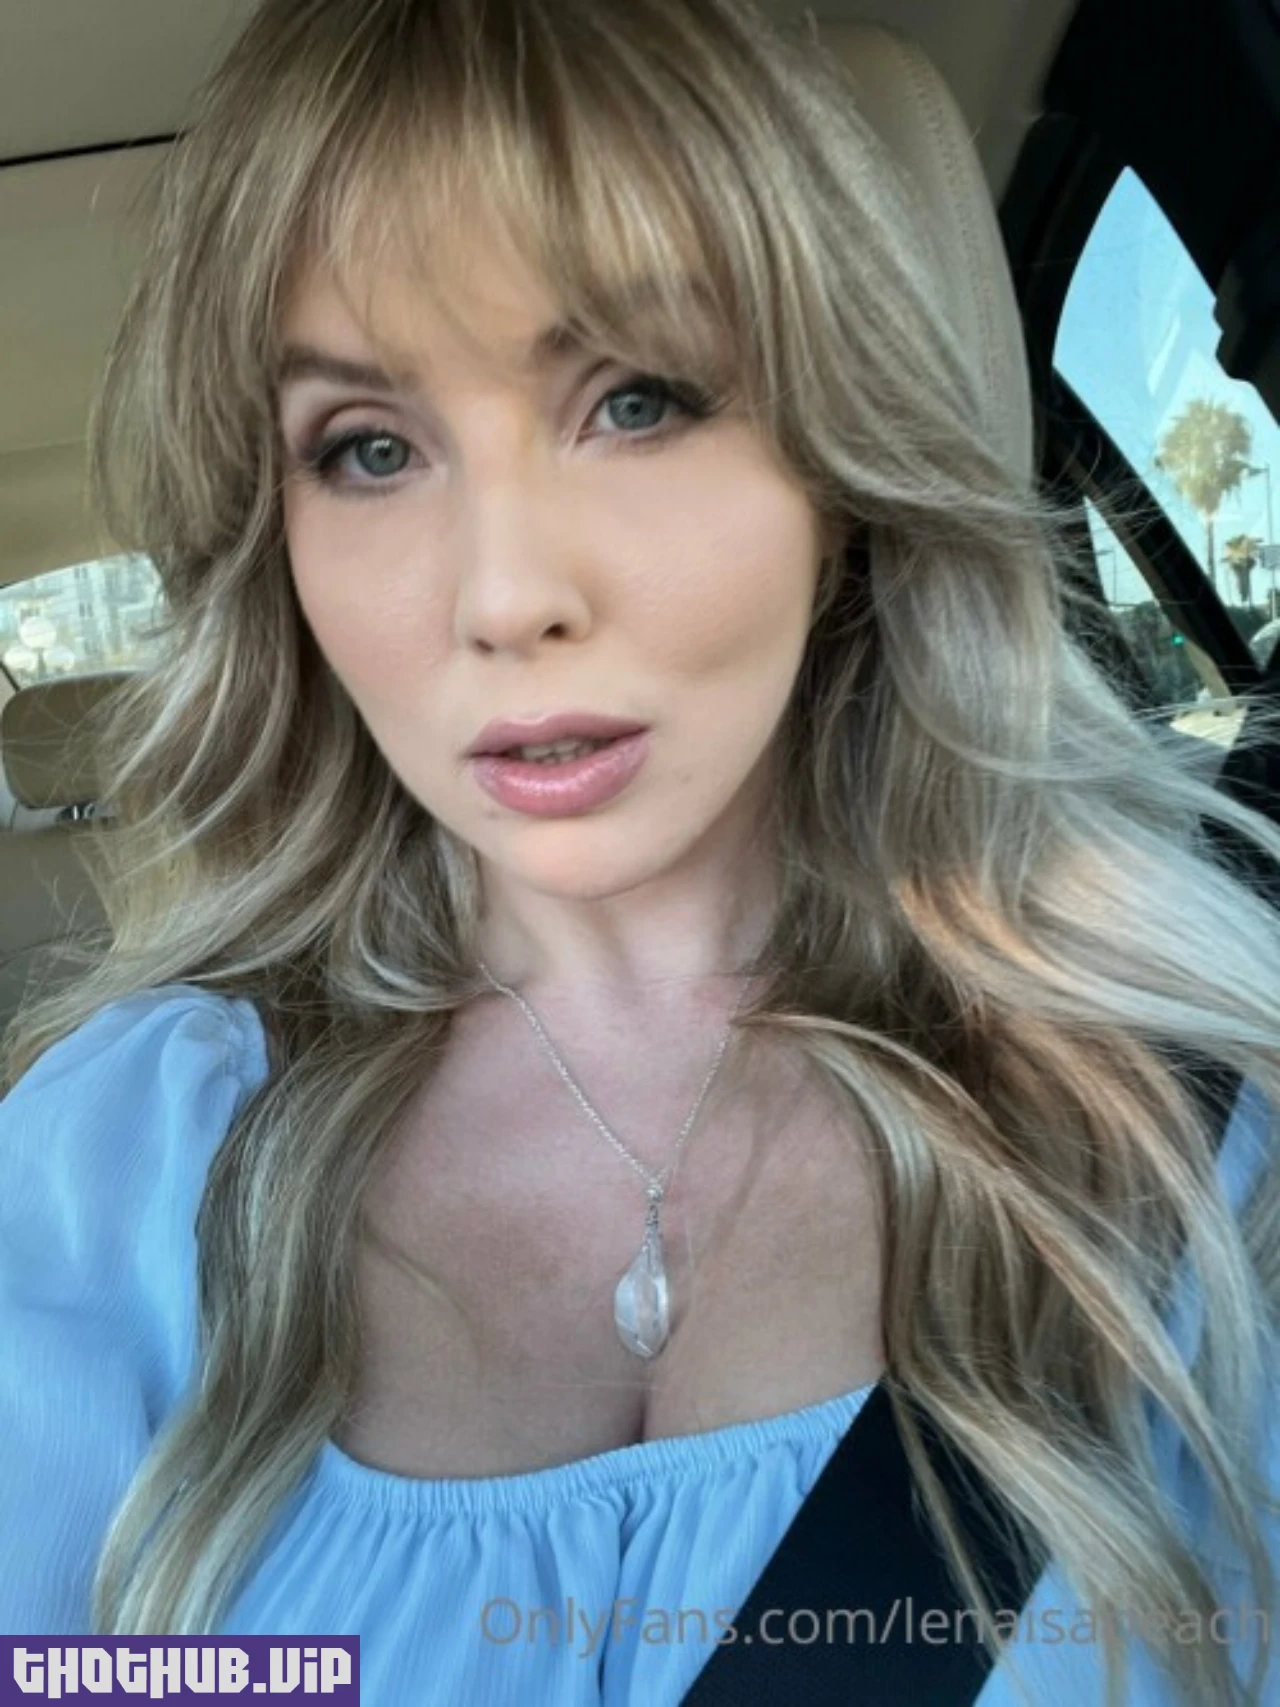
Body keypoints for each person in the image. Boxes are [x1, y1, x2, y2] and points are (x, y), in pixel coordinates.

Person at [1, 0, 1278, 1701]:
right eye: (369, 449)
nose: (504, 593)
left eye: (639, 401)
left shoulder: (1200, 1135)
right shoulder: (115, 1164)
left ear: (843, 456)